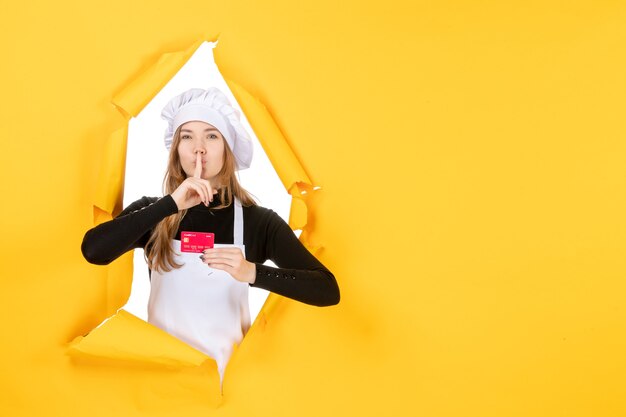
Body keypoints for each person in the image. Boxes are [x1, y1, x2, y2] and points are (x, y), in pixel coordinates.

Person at [81, 87, 340, 381]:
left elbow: (326, 290)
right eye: (187, 136)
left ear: (228, 149)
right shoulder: (153, 213)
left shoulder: (259, 222)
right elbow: (94, 251)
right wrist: (170, 204)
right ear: (176, 150)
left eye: (211, 135)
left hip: (226, 394)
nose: (198, 148)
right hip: (160, 386)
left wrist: (253, 272)